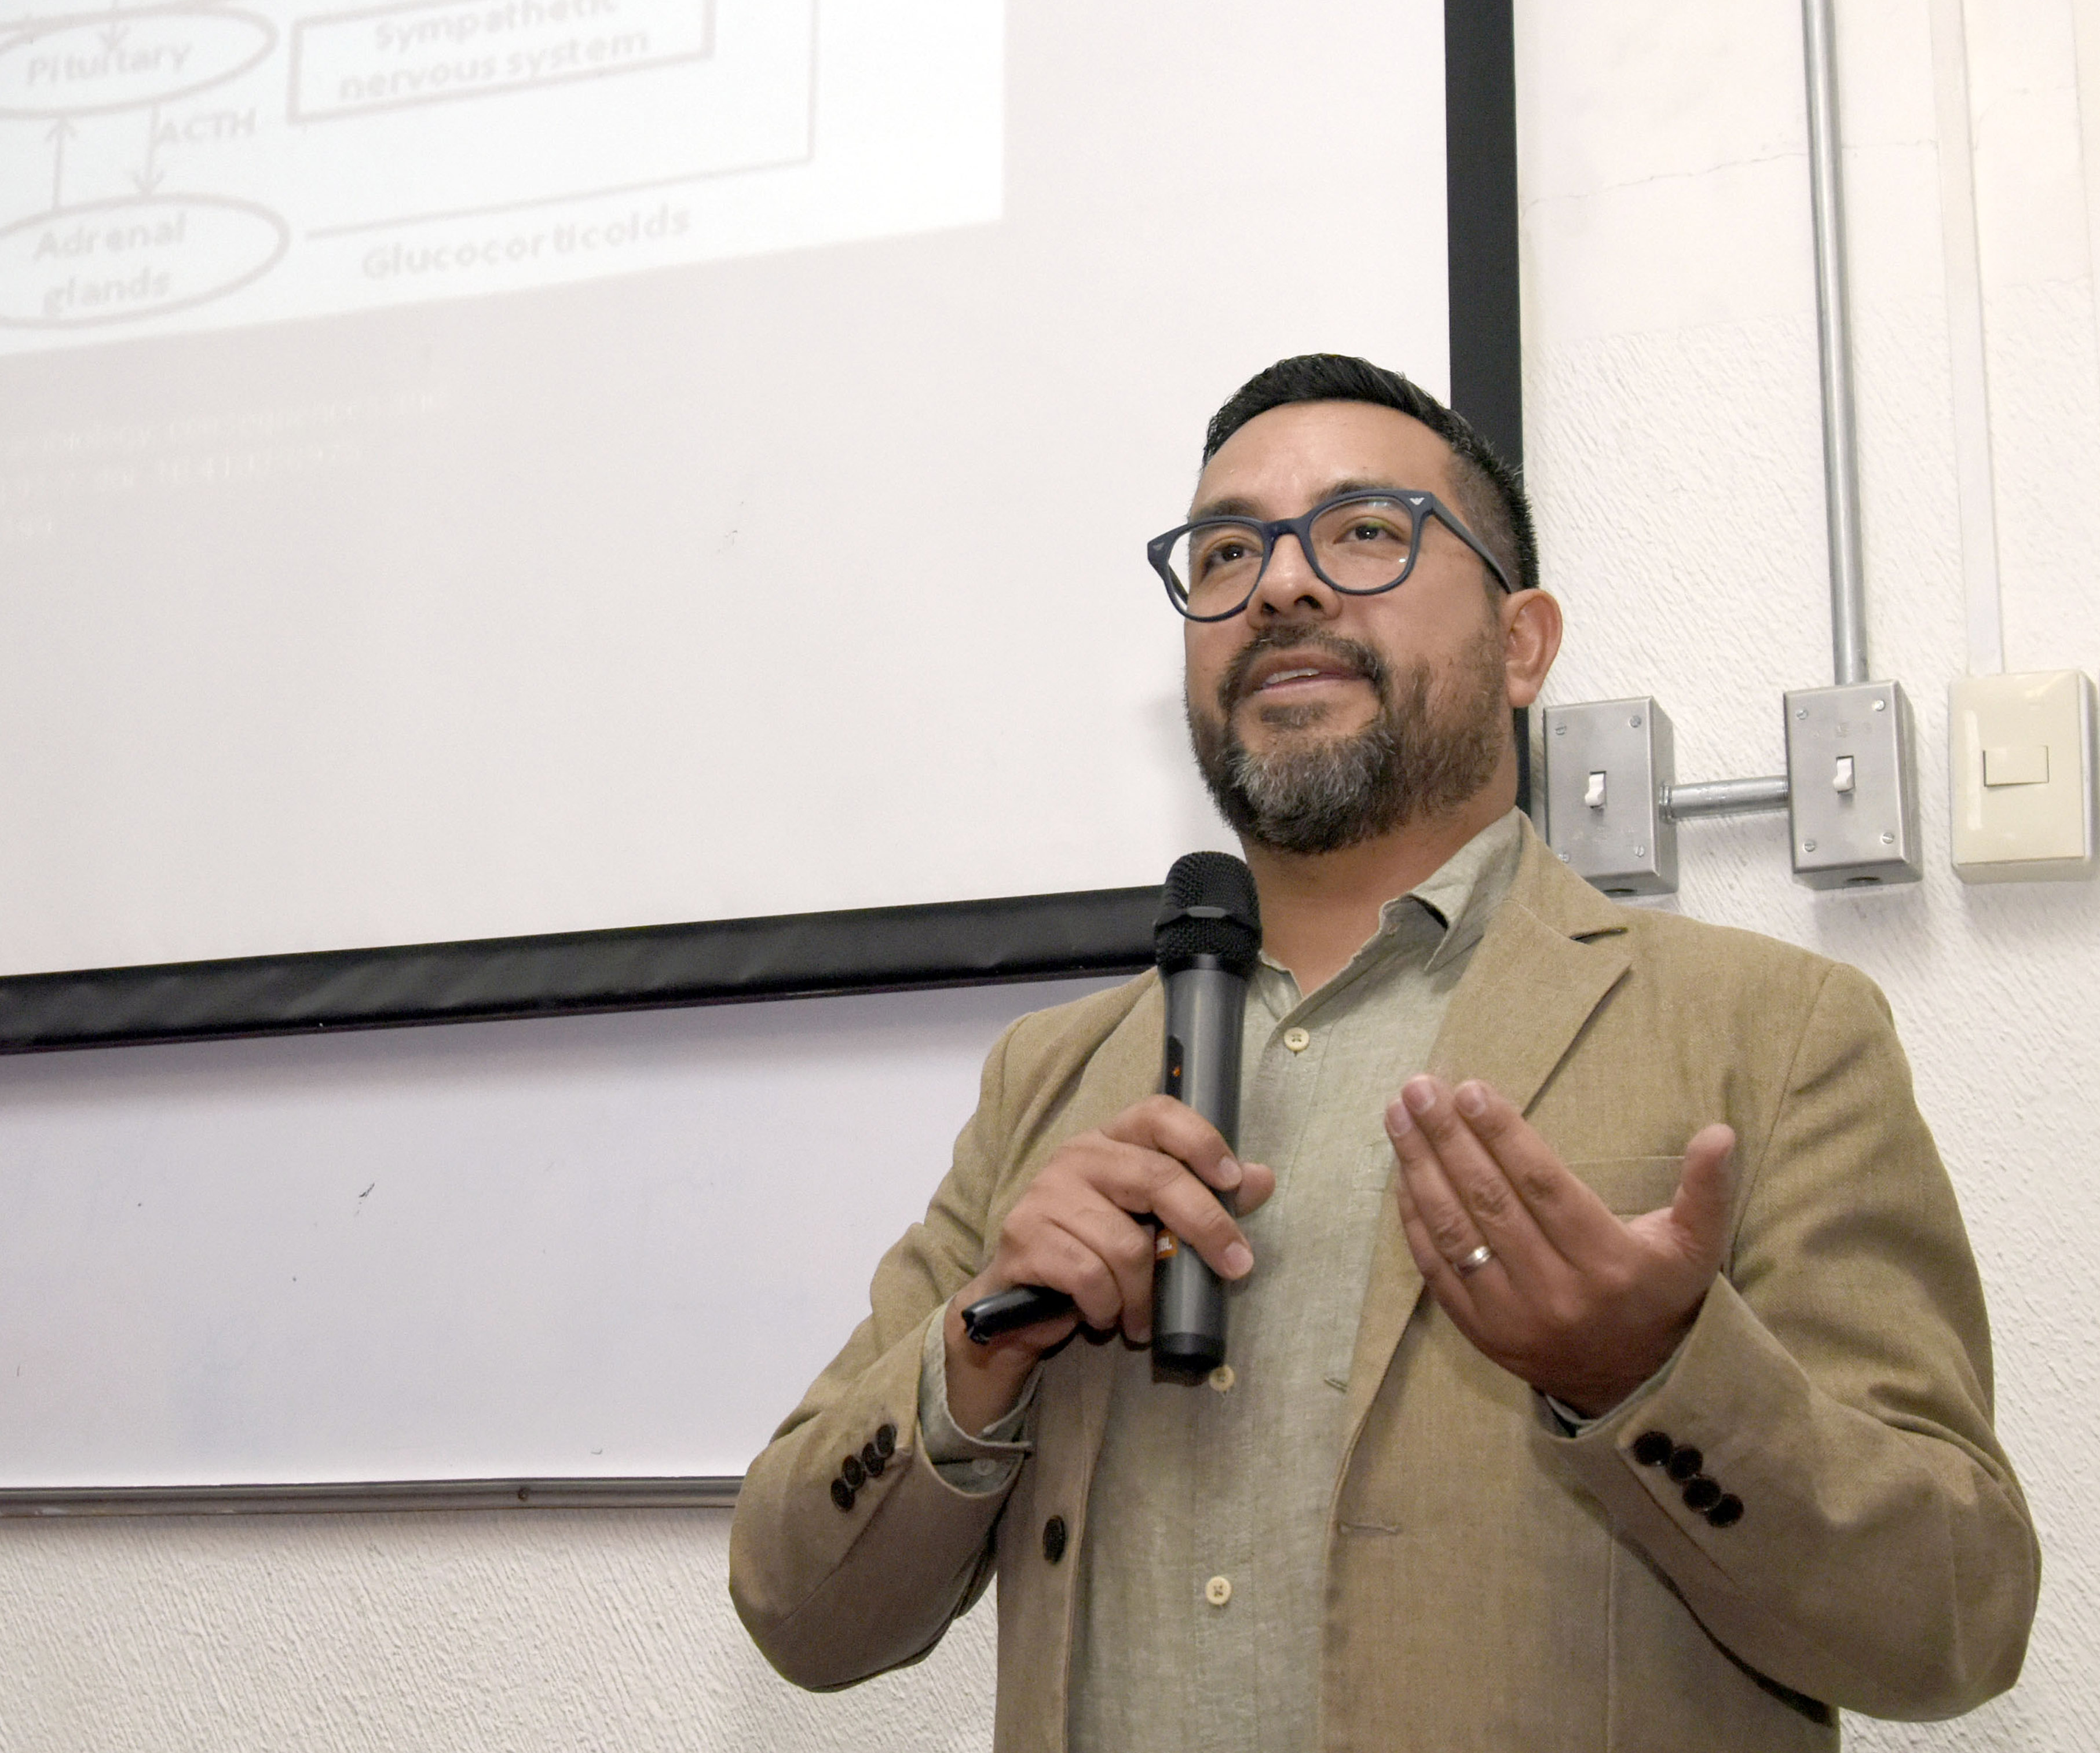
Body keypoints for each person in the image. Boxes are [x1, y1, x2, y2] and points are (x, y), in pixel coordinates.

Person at [727, 355, 2036, 1750]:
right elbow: (800, 1609)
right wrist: (976, 1353)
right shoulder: (1048, 1080)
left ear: (1523, 643)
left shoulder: (1767, 1032)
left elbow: (1953, 1620)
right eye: (1226, 552)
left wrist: (1650, 1372)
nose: (1281, 585)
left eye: (1364, 531)